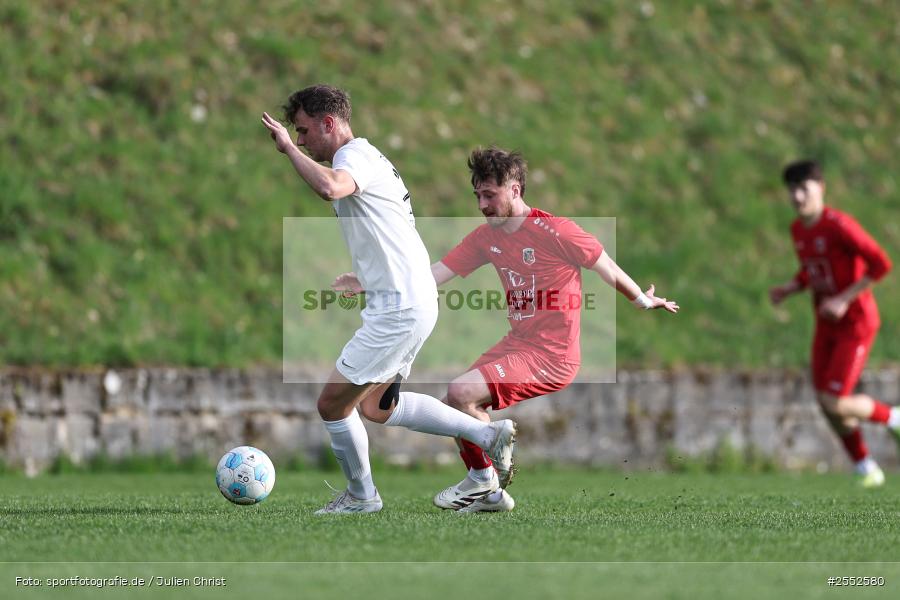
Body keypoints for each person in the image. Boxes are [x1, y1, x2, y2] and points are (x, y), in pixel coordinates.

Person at [335, 146, 678, 512]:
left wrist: (640, 300)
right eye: (478, 196)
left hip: (553, 355)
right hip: (518, 344)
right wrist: (372, 283)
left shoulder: (556, 230)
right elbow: (432, 275)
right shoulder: (486, 238)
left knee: (461, 392)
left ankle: (483, 480)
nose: (482, 205)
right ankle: (489, 491)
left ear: (515, 190)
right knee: (454, 404)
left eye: (490, 195)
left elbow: (605, 265)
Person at [261, 86, 516, 514]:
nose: (300, 139)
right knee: (378, 407)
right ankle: (487, 435)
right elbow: (391, 232)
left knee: (332, 404)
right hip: (407, 298)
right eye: (296, 135)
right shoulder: (368, 158)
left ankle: (362, 497)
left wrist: (287, 149)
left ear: (329, 123)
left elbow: (329, 188)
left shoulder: (353, 158)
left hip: (400, 308)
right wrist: (369, 279)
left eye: (303, 130)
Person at [769, 159, 900, 487]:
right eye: (792, 190)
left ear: (821, 188)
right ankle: (866, 467)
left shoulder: (840, 226)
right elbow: (812, 270)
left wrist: (844, 299)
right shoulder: (798, 229)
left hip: (856, 323)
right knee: (825, 402)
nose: (797, 197)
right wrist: (791, 288)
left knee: (836, 401)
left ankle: (894, 417)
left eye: (804, 188)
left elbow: (880, 263)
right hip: (825, 325)